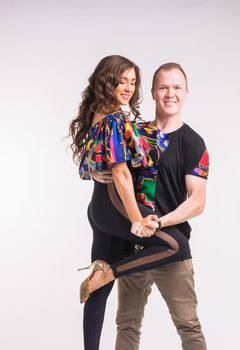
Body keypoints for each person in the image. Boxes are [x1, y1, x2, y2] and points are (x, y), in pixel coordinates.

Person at [69, 55, 191, 350]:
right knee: (176, 246)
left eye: (133, 82)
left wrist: (92, 171)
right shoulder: (112, 118)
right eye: (121, 80)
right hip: (115, 208)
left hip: (100, 210)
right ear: (106, 81)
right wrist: (137, 219)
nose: (127, 87)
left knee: (98, 291)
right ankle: (112, 271)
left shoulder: (101, 114)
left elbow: (95, 162)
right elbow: (121, 173)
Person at [92, 63, 209, 350]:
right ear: (153, 93)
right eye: (163, 87)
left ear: (186, 92)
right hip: (133, 247)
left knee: (188, 326)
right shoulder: (134, 133)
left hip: (169, 248)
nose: (170, 93)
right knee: (127, 326)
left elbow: (197, 200)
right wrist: (95, 172)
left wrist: (161, 222)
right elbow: (112, 168)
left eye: (177, 87)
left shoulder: (193, 144)